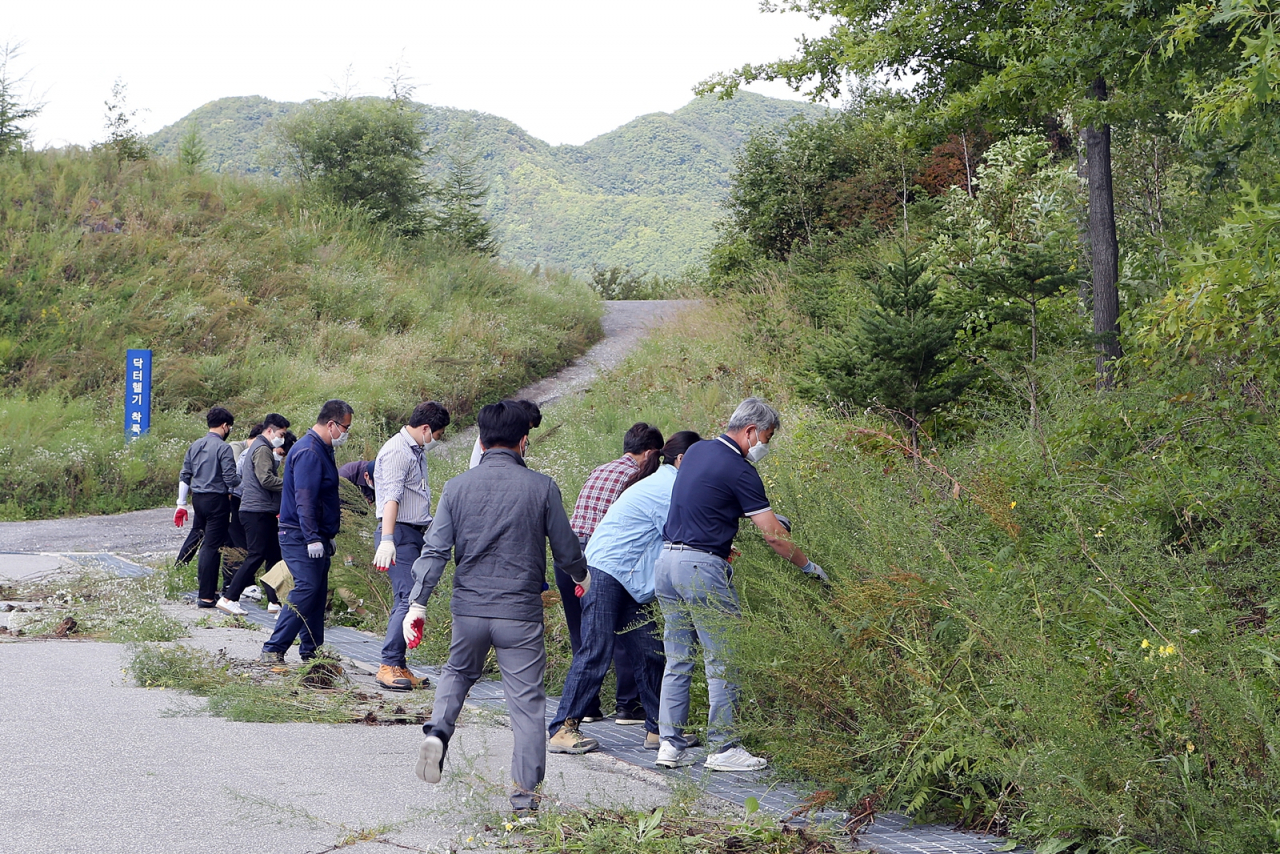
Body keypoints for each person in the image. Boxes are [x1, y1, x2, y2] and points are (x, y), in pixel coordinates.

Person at [404, 400, 588, 821]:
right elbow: (566, 550)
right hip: (519, 614)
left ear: (481, 442)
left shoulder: (456, 487)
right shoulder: (541, 487)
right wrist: (582, 577)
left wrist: (417, 603)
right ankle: (524, 802)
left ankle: (438, 732)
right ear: (524, 440)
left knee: (457, 673)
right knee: (526, 706)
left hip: (469, 609)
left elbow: (435, 551)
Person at [654, 398, 828, 772]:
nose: (765, 444)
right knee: (723, 656)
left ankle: (670, 744)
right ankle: (723, 747)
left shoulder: (697, 450)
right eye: (766, 436)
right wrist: (808, 566)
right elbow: (774, 537)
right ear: (751, 431)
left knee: (679, 657)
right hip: (701, 567)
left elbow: (706, 497)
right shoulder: (740, 468)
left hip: (666, 562)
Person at [548, 431, 702, 756]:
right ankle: (564, 728)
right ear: (683, 460)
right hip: (607, 572)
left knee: (649, 651)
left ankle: (659, 730)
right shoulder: (668, 486)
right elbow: (687, 531)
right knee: (596, 649)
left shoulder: (666, 482)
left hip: (628, 580)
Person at [565, 422, 664, 724]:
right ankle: (627, 706)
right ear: (649, 453)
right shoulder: (638, 477)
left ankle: (588, 707)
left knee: (583, 638)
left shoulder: (601, 469)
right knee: (619, 639)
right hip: (605, 561)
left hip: (570, 555)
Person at [260, 400, 354, 664]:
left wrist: (327, 535)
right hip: (300, 535)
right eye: (345, 428)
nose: (346, 433)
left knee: (317, 592)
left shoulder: (322, 448)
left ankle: (311, 651)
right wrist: (313, 537)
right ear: (332, 424)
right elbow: (305, 499)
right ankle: (273, 648)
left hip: (315, 535)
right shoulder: (310, 452)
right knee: (307, 588)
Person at [371, 400, 451, 692]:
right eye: (438, 435)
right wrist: (388, 539)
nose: (437, 441)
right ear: (426, 428)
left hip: (414, 533)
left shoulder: (415, 451)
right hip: (399, 534)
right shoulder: (397, 451)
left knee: (411, 597)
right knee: (407, 597)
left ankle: (399, 664)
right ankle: (387, 665)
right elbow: (391, 497)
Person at [218, 413, 291, 616]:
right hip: (256, 510)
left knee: (274, 556)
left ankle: (275, 601)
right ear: (269, 431)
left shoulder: (258, 447)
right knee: (256, 555)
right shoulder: (262, 449)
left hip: (262, 510)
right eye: (281, 434)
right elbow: (265, 479)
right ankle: (229, 597)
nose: (282, 439)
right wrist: (291, 485)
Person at [174, 407, 240, 608]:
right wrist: (240, 479)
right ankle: (207, 596)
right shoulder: (223, 448)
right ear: (225, 426)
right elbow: (230, 478)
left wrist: (181, 504)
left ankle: (187, 575)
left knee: (200, 537)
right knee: (211, 547)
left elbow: (185, 475)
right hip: (217, 500)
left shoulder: (195, 445)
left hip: (198, 499)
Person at [468, 399, 541, 469]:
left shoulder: (519, 440)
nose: (525, 431)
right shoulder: (490, 437)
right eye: (526, 426)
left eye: (529, 428)